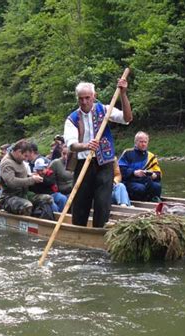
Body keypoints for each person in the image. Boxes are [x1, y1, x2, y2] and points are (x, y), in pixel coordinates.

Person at [64, 78, 132, 227]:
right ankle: (78, 232)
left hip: (104, 164)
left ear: (94, 96)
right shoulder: (72, 118)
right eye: (81, 99)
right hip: (83, 164)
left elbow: (127, 118)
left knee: (102, 202)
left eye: (87, 98)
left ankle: (99, 231)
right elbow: (71, 144)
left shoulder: (104, 109)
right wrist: (86, 145)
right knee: (81, 203)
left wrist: (123, 94)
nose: (84, 102)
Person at [0, 139, 52, 216]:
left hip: (24, 194)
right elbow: (11, 182)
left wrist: (31, 176)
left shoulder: (19, 161)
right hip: (9, 197)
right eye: (25, 156)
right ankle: (28, 224)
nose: (26, 159)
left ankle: (44, 221)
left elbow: (23, 176)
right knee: (27, 206)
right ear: (19, 152)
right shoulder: (7, 163)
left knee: (47, 198)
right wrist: (31, 180)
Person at [119, 131, 162, 202]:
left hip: (146, 180)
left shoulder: (151, 156)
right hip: (130, 181)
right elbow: (121, 170)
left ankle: (153, 201)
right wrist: (134, 172)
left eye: (145, 142)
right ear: (136, 142)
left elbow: (158, 173)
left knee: (157, 186)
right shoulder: (127, 153)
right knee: (140, 188)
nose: (143, 144)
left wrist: (154, 175)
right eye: (141, 142)